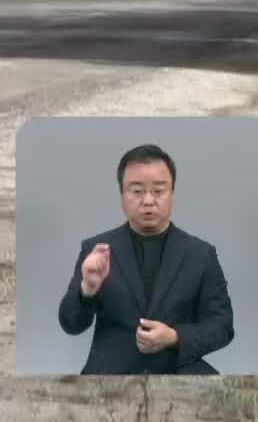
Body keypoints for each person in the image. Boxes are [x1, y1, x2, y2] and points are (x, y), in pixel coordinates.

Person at [57, 143, 235, 374]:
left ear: (172, 193)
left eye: (159, 191)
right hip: (110, 374)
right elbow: (71, 325)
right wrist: (88, 289)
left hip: (178, 371)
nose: (148, 201)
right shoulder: (97, 250)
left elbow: (222, 327)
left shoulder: (201, 255)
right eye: (137, 191)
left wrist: (174, 337)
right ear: (122, 194)